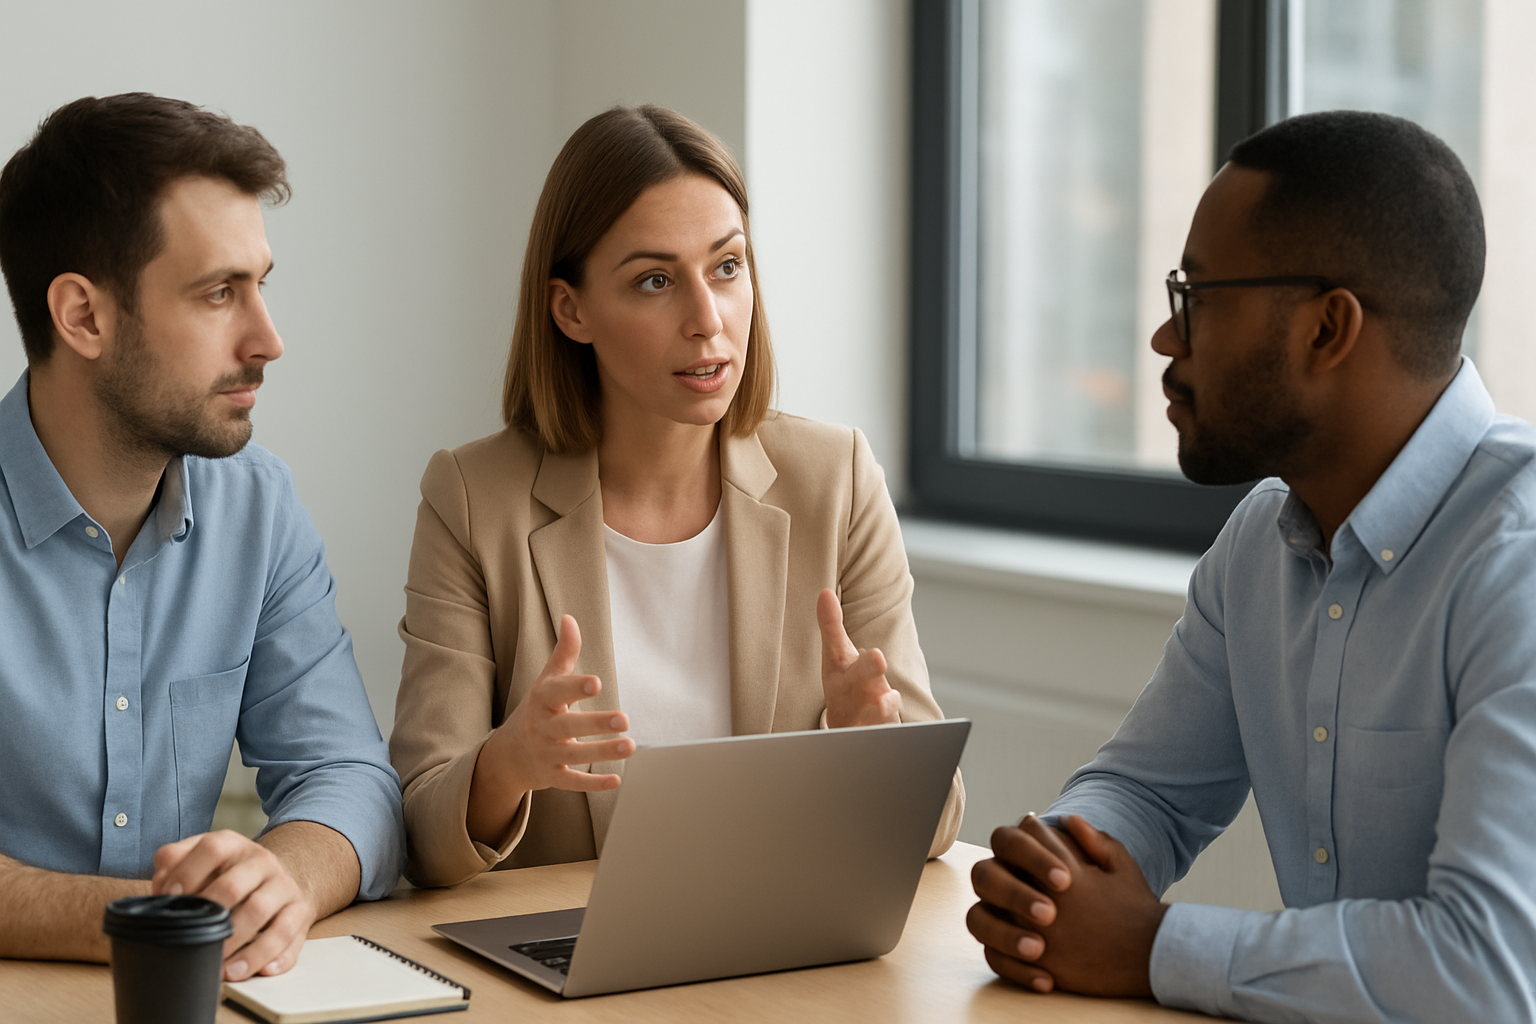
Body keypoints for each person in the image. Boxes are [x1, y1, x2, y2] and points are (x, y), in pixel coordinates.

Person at [967, 110, 1536, 1021]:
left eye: (1197, 297)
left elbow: (1490, 972)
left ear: (1326, 329)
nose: (1165, 339)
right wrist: (1059, 877)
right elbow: (1145, 789)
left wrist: (1149, 947)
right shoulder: (1262, 538)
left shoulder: (1518, 566)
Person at [390, 105, 964, 887]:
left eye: (727, 267)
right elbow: (422, 831)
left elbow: (938, 826)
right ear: (571, 309)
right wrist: (508, 763)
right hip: (565, 967)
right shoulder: (471, 498)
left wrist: (879, 748)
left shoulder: (837, 476)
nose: (708, 320)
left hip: (772, 944)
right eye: (655, 281)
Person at [0, 94, 404, 980]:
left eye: (261, 285)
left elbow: (350, 777)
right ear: (83, 317)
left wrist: (280, 884)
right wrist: (163, 920)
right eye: (220, 293)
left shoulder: (258, 508)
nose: (269, 339)